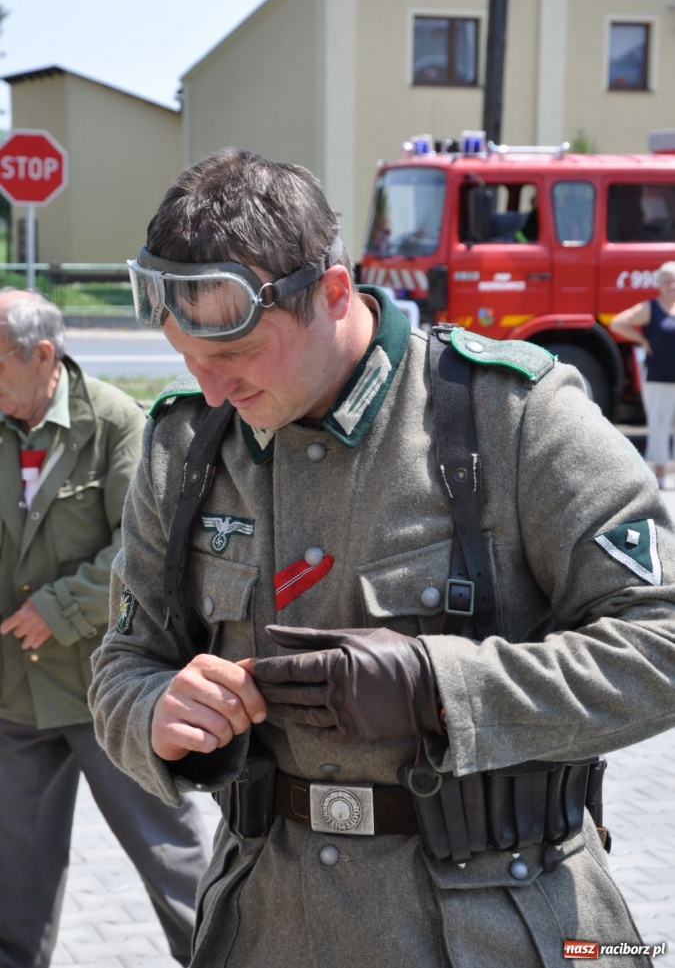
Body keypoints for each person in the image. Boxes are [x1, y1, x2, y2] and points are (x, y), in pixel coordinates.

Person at [89, 149, 675, 968]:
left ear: (331, 294)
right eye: (190, 360)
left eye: (235, 356)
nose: (212, 390)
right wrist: (158, 712)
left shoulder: (508, 415)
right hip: (270, 924)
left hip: (496, 923)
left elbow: (661, 641)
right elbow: (123, 662)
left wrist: (441, 689)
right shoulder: (186, 441)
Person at [0, 289, 211, 968]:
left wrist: (60, 608)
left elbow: (139, 546)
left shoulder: (119, 422)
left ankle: (222, 954)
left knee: (171, 858)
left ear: (41, 356)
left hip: (106, 689)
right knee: (15, 877)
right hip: (15, 694)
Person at [609, 261, 675, 489]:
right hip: (658, 373)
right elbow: (618, 323)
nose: (672, 285)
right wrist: (642, 340)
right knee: (659, 421)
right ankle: (660, 471)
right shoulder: (650, 308)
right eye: (667, 281)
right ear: (659, 284)